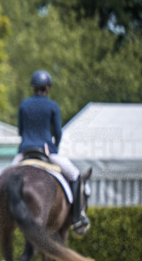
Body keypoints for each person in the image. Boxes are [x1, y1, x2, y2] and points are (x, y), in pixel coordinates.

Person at [12, 69, 87, 229]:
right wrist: (55, 147)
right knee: (75, 175)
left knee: (6, 178)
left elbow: (21, 131)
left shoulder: (24, 105)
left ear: (33, 87)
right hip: (46, 150)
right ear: (48, 87)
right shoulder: (53, 106)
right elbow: (58, 133)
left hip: (25, 151)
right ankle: (76, 218)